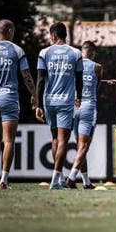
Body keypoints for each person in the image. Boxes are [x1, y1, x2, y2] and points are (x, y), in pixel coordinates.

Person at [0, 19, 37, 189]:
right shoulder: (16, 50)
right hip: (9, 98)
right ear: (10, 31)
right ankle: (4, 180)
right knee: (9, 140)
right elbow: (26, 75)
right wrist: (34, 95)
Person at [36, 22, 83, 190]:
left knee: (55, 139)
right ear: (65, 35)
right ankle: (55, 180)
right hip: (65, 102)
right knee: (63, 140)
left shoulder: (44, 53)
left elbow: (40, 80)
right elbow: (79, 79)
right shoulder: (76, 53)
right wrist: (79, 97)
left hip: (48, 101)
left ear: (53, 36)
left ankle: (60, 178)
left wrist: (38, 104)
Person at [65, 41, 103, 190]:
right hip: (88, 107)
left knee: (81, 146)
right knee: (84, 146)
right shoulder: (97, 67)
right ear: (93, 53)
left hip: (74, 107)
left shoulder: (73, 65)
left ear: (82, 51)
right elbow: (96, 86)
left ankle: (86, 182)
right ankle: (71, 177)